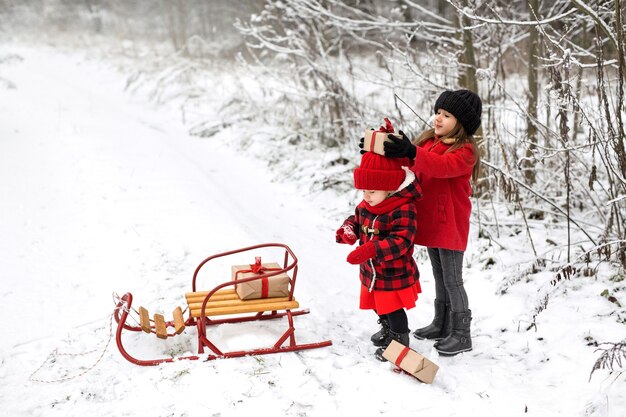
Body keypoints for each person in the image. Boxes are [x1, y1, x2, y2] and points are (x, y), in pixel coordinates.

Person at [382, 89, 482, 356]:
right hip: (433, 222)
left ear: (461, 122)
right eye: (438, 112)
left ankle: (462, 334)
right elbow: (415, 164)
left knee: (453, 280)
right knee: (439, 276)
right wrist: (387, 148)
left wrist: (411, 150)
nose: (438, 118)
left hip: (449, 224)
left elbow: (439, 166)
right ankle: (442, 322)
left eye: (446, 115)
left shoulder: (465, 151)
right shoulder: (430, 142)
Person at [335, 152, 422, 361]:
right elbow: (355, 220)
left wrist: (372, 249)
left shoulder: (403, 208)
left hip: (393, 273)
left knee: (392, 309)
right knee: (376, 305)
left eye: (372, 191)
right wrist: (349, 230)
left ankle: (399, 342)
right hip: (370, 271)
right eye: (364, 190)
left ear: (390, 188)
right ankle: (387, 329)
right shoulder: (367, 205)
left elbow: (402, 241)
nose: (366, 196)